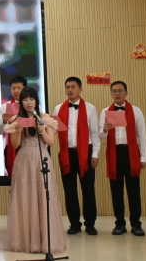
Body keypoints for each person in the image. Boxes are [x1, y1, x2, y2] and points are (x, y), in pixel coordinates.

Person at [3, 87, 66, 254]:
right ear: (21, 102)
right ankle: (26, 241)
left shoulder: (45, 118)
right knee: (25, 198)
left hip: (41, 159)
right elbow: (15, 145)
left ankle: (45, 241)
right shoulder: (16, 118)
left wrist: (42, 130)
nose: (28, 102)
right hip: (24, 160)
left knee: (43, 197)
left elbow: (51, 142)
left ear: (36, 100)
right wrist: (17, 131)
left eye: (31, 99)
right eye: (25, 99)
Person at [52, 77, 100, 236]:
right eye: (67, 87)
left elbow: (94, 133)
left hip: (86, 152)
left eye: (73, 87)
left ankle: (90, 224)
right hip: (66, 154)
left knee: (88, 190)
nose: (70, 90)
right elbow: (53, 131)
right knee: (70, 190)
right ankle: (74, 223)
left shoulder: (91, 108)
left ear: (80, 89)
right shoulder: (58, 109)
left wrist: (95, 153)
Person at [99, 81, 146, 237]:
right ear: (111, 93)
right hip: (114, 154)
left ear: (126, 92)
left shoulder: (136, 111)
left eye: (120, 91)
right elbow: (100, 136)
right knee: (116, 191)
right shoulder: (105, 111)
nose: (117, 93)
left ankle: (136, 224)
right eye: (114, 91)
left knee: (134, 191)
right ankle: (119, 224)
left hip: (131, 153)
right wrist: (104, 129)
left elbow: (142, 135)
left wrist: (143, 157)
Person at [0, 76, 27, 177]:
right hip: (11, 147)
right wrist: (4, 121)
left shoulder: (33, 106)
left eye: (19, 88)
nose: (16, 91)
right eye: (13, 88)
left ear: (25, 88)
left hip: (28, 147)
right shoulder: (5, 107)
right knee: (14, 179)